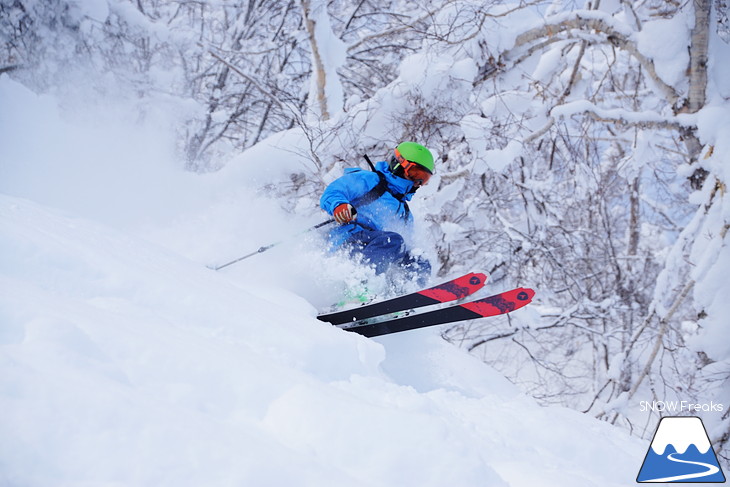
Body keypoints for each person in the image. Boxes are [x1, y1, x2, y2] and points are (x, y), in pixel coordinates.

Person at [320, 141, 434, 284]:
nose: (417, 182)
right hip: (348, 240)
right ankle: (358, 287)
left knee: (418, 260)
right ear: (398, 164)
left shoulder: (405, 213)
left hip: (378, 251)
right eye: (415, 174)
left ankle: (404, 296)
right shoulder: (370, 180)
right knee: (392, 240)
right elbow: (333, 192)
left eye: (423, 179)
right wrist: (339, 205)